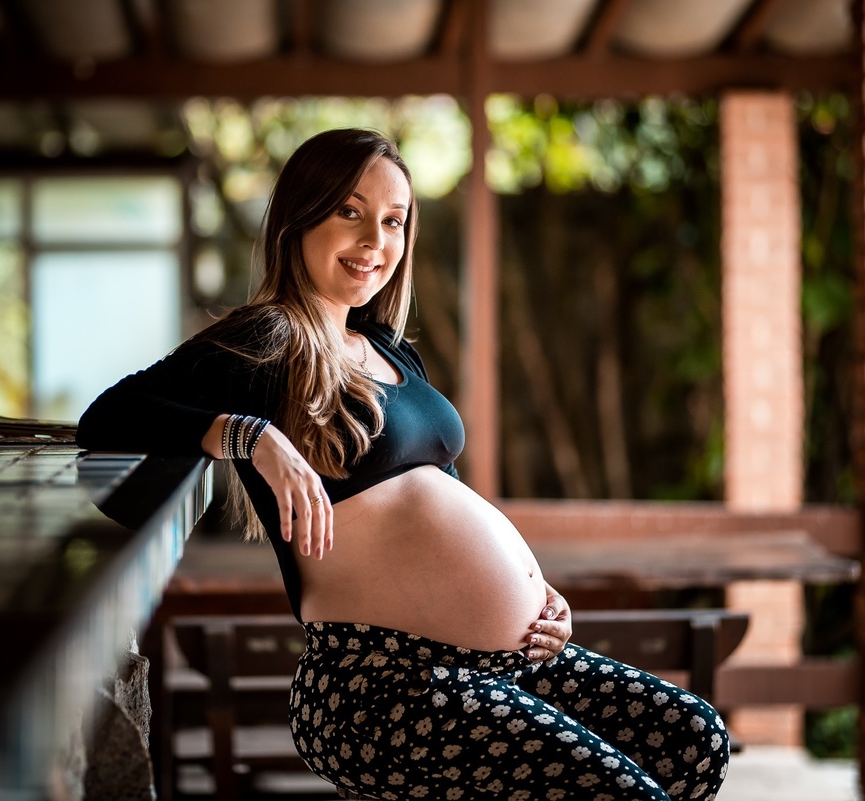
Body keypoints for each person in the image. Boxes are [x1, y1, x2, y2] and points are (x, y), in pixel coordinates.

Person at [77, 128, 730, 801]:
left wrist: (534, 591)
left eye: (394, 221)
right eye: (350, 212)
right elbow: (110, 418)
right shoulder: (266, 340)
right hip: (381, 682)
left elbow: (436, 497)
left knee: (694, 739)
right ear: (300, 216)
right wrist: (251, 436)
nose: (375, 241)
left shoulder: (386, 345)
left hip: (512, 657)